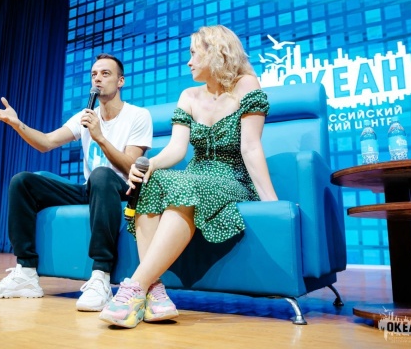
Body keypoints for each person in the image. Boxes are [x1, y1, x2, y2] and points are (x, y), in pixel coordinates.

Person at [99, 25, 279, 328]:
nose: (189, 61)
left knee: (183, 185)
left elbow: (250, 147)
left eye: (194, 53)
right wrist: (149, 165)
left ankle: (134, 288)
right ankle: (155, 292)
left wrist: (271, 203)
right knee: (153, 180)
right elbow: (176, 149)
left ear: (216, 52)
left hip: (230, 178)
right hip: (194, 176)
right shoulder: (188, 95)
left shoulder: (246, 84)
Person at [0, 53, 153, 312]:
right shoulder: (86, 115)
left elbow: (131, 167)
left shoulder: (138, 115)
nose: (97, 78)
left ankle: (101, 277)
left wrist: (100, 137)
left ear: (121, 81)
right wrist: (17, 124)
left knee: (101, 175)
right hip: (91, 188)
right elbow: (46, 142)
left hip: (121, 189)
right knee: (23, 182)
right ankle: (26, 273)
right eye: (94, 74)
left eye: (105, 73)